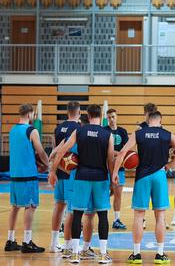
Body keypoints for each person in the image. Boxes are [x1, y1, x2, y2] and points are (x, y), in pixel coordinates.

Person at [113, 109, 175, 264]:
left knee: (139, 215)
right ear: (160, 120)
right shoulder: (167, 134)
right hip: (159, 175)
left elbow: (122, 153)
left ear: (147, 119)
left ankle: (136, 254)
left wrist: (114, 172)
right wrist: (170, 165)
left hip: (142, 176)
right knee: (160, 216)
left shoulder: (139, 134)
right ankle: (160, 255)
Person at [49, 104, 115, 264]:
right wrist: (112, 180)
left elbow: (61, 151)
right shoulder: (108, 135)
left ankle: (75, 254)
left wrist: (53, 171)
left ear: (87, 115)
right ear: (102, 116)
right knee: (102, 215)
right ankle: (103, 255)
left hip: (81, 177)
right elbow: (110, 160)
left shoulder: (79, 131)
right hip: (100, 178)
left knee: (77, 214)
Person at [4, 104, 48, 253]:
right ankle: (27, 241)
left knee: (15, 206)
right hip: (27, 175)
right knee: (30, 206)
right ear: (30, 114)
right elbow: (40, 151)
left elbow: (22, 152)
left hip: (14, 174)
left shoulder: (12, 130)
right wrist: (47, 164)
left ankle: (10, 240)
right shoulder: (31, 130)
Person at [48, 101, 81, 253]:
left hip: (59, 171)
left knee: (58, 206)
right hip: (70, 173)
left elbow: (54, 150)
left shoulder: (58, 128)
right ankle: (68, 245)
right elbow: (60, 149)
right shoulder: (77, 128)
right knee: (72, 210)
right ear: (79, 112)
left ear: (67, 112)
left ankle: (54, 243)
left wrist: (53, 169)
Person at [105, 108, 129, 230]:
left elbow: (126, 150)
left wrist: (120, 156)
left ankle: (116, 219)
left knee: (118, 194)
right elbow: (105, 150)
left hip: (119, 169)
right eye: (109, 117)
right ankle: (100, 218)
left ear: (117, 117)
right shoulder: (104, 131)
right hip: (106, 169)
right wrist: (116, 153)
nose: (111, 119)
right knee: (104, 194)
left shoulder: (123, 132)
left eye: (113, 117)